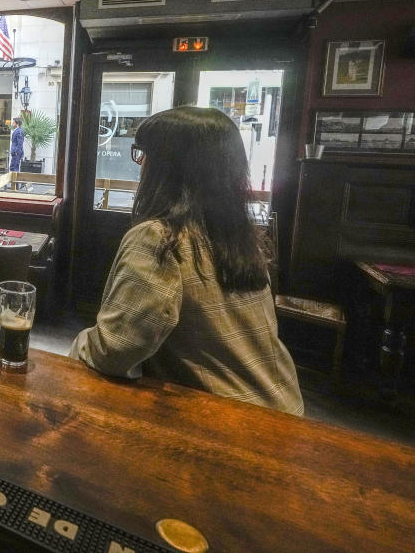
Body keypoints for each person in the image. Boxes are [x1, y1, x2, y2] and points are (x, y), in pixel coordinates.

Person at [69, 107, 303, 415]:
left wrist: (76, 347)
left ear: (166, 166)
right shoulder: (239, 237)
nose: (140, 165)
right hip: (281, 411)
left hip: (225, 424)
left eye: (143, 154)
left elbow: (116, 349)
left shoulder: (161, 238)